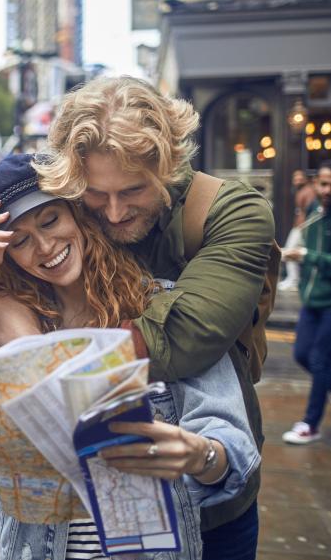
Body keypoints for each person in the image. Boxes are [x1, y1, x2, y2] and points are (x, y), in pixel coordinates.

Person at [0, 153, 260, 560]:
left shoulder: (161, 305)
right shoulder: (10, 327)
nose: (45, 247)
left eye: (50, 220)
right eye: (20, 240)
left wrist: (200, 455)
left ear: (78, 214)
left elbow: (232, 448)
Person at [33, 76, 274, 560]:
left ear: (170, 164)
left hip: (209, 500)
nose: (116, 212)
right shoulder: (69, 214)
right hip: (90, 507)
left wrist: (38, 362)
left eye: (134, 189)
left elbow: (183, 337)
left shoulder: (236, 212)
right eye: (97, 195)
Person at [281, 161, 331, 445]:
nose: (327, 189)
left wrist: (306, 256)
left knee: (320, 360)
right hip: (312, 301)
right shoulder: (316, 212)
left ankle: (311, 424)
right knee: (301, 354)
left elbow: (315, 255)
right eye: (323, 183)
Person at [278, 169, 318, 291]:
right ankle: (292, 279)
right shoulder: (300, 191)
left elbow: (310, 212)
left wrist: (304, 228)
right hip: (299, 227)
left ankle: (294, 280)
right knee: (291, 251)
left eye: (300, 178)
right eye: (295, 178)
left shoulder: (309, 191)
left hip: (302, 228)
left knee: (290, 251)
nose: (297, 180)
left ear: (305, 179)